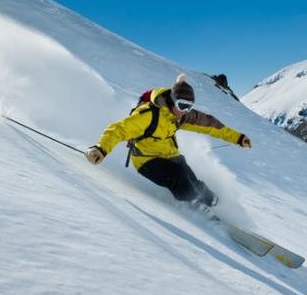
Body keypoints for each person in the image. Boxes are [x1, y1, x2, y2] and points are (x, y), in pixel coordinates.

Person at [85, 74, 251, 208]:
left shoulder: (181, 116)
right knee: (179, 178)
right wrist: (101, 149)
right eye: (182, 105)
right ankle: (195, 207)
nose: (184, 111)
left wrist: (238, 138)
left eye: (189, 107)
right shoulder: (149, 115)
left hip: (171, 155)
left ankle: (214, 204)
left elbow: (210, 125)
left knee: (193, 180)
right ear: (172, 99)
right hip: (146, 160)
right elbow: (119, 130)